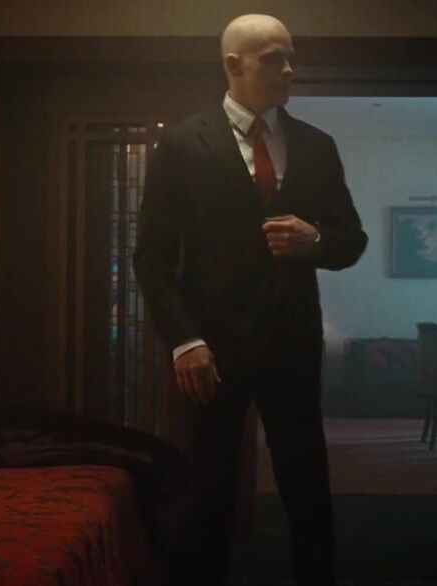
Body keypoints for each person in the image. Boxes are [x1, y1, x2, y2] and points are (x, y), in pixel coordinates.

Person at [133, 13, 368, 585]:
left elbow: (352, 240)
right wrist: (184, 340)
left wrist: (316, 241)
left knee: (307, 484)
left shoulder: (316, 145)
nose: (290, 70)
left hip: (293, 341)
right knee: (208, 488)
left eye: (292, 57)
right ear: (234, 65)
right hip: (212, 350)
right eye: (273, 58)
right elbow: (152, 258)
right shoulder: (182, 144)